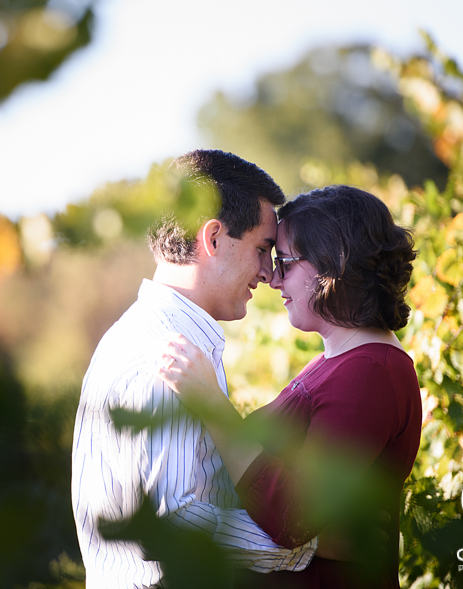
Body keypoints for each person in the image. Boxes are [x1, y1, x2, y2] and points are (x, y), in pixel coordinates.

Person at [71, 150, 320, 589]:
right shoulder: (167, 353)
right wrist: (307, 547)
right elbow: (177, 517)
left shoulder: (136, 335)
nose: (268, 273)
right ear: (214, 238)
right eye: (262, 249)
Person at [158, 184, 421, 588]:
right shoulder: (339, 362)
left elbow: (293, 514)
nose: (272, 278)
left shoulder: (371, 373)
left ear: (332, 264)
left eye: (285, 262)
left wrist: (212, 403)